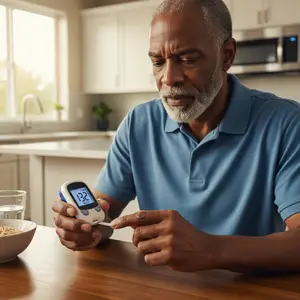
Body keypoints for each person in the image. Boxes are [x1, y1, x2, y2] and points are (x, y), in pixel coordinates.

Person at [52, 0, 300, 273]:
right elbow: (103, 210)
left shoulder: (286, 123)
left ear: (227, 55)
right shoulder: (139, 123)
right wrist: (85, 230)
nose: (169, 78)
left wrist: (210, 249)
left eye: (187, 59)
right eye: (158, 62)